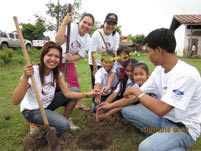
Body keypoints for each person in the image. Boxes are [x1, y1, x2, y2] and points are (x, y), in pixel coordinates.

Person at [121, 28, 201, 150]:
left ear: (158, 50)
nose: (147, 55)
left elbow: (161, 109)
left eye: (148, 51)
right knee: (127, 111)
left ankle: (172, 142)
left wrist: (136, 91)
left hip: (183, 128)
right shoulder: (160, 70)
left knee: (145, 148)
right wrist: (109, 107)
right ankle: (164, 139)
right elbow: (135, 96)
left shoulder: (187, 75)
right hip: (163, 120)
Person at [12, 41, 99, 135]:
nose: (53, 59)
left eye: (57, 56)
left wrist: (87, 94)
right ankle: (38, 124)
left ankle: (62, 120)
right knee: (63, 126)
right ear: (43, 56)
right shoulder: (34, 72)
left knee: (75, 91)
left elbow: (68, 93)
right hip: (32, 110)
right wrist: (25, 77)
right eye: (49, 55)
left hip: (46, 104)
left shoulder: (56, 71)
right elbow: (15, 101)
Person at [55, 13, 95, 111]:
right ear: (79, 22)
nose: (86, 26)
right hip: (55, 58)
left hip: (68, 61)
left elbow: (80, 55)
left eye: (89, 24)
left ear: (92, 27)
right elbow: (58, 41)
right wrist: (64, 23)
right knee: (53, 80)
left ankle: (78, 102)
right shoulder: (71, 28)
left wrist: (70, 58)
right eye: (84, 22)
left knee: (74, 81)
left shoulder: (88, 39)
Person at [88, 13, 120, 89]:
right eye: (109, 23)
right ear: (104, 23)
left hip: (108, 60)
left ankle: (106, 93)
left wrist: (113, 64)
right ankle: (95, 95)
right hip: (96, 60)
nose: (110, 26)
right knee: (97, 79)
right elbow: (93, 52)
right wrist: (95, 68)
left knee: (107, 79)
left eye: (113, 24)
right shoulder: (97, 34)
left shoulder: (116, 35)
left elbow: (114, 51)